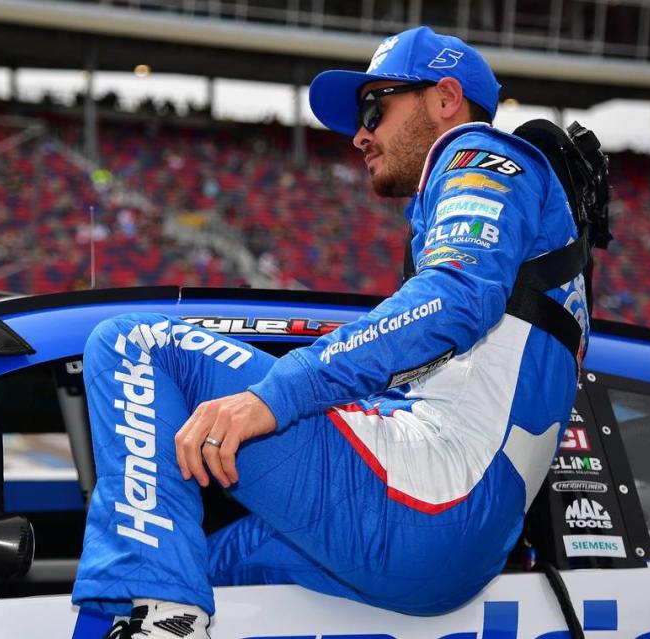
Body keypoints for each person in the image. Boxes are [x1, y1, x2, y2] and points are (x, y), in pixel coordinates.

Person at [72, 26, 588, 639]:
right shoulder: (514, 224)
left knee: (132, 341)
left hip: (434, 501)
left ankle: (165, 624)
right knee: (205, 567)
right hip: (456, 544)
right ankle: (160, 612)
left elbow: (454, 300)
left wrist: (273, 394)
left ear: (445, 98)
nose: (359, 134)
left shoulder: (478, 154)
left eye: (375, 107)